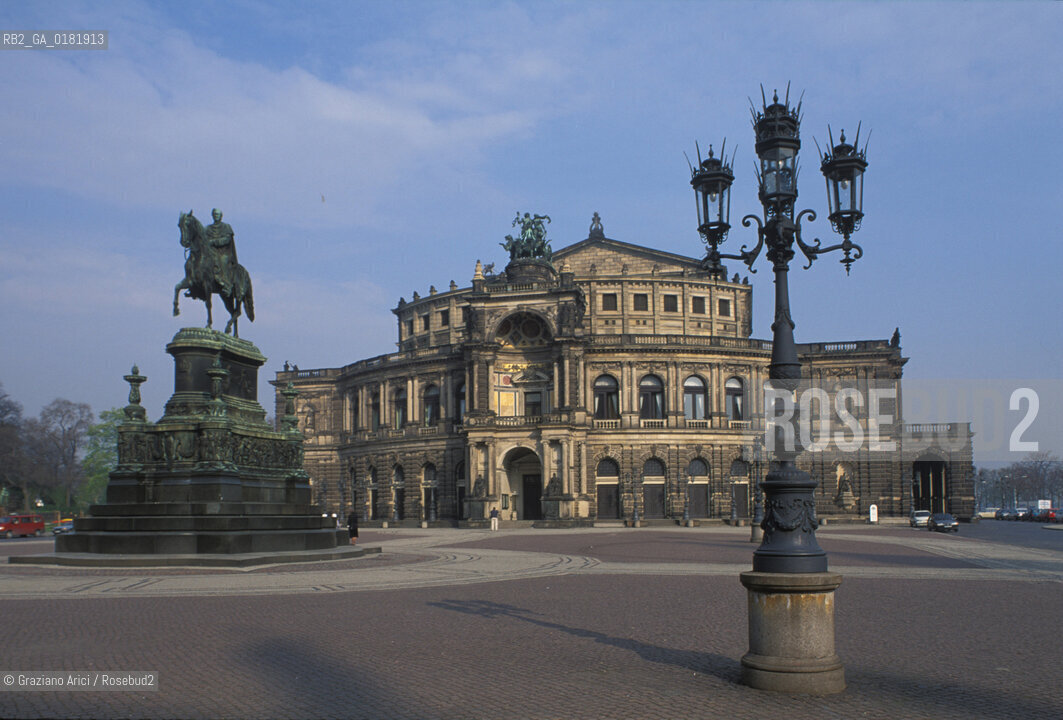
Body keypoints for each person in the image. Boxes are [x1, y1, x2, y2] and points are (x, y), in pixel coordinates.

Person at [204, 208, 237, 295]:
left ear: (221, 216)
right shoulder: (207, 228)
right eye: (214, 214)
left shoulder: (226, 227)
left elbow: (227, 239)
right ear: (212, 216)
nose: (216, 216)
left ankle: (227, 285)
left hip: (223, 252)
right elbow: (203, 239)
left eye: (218, 214)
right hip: (211, 252)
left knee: (223, 260)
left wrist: (214, 242)